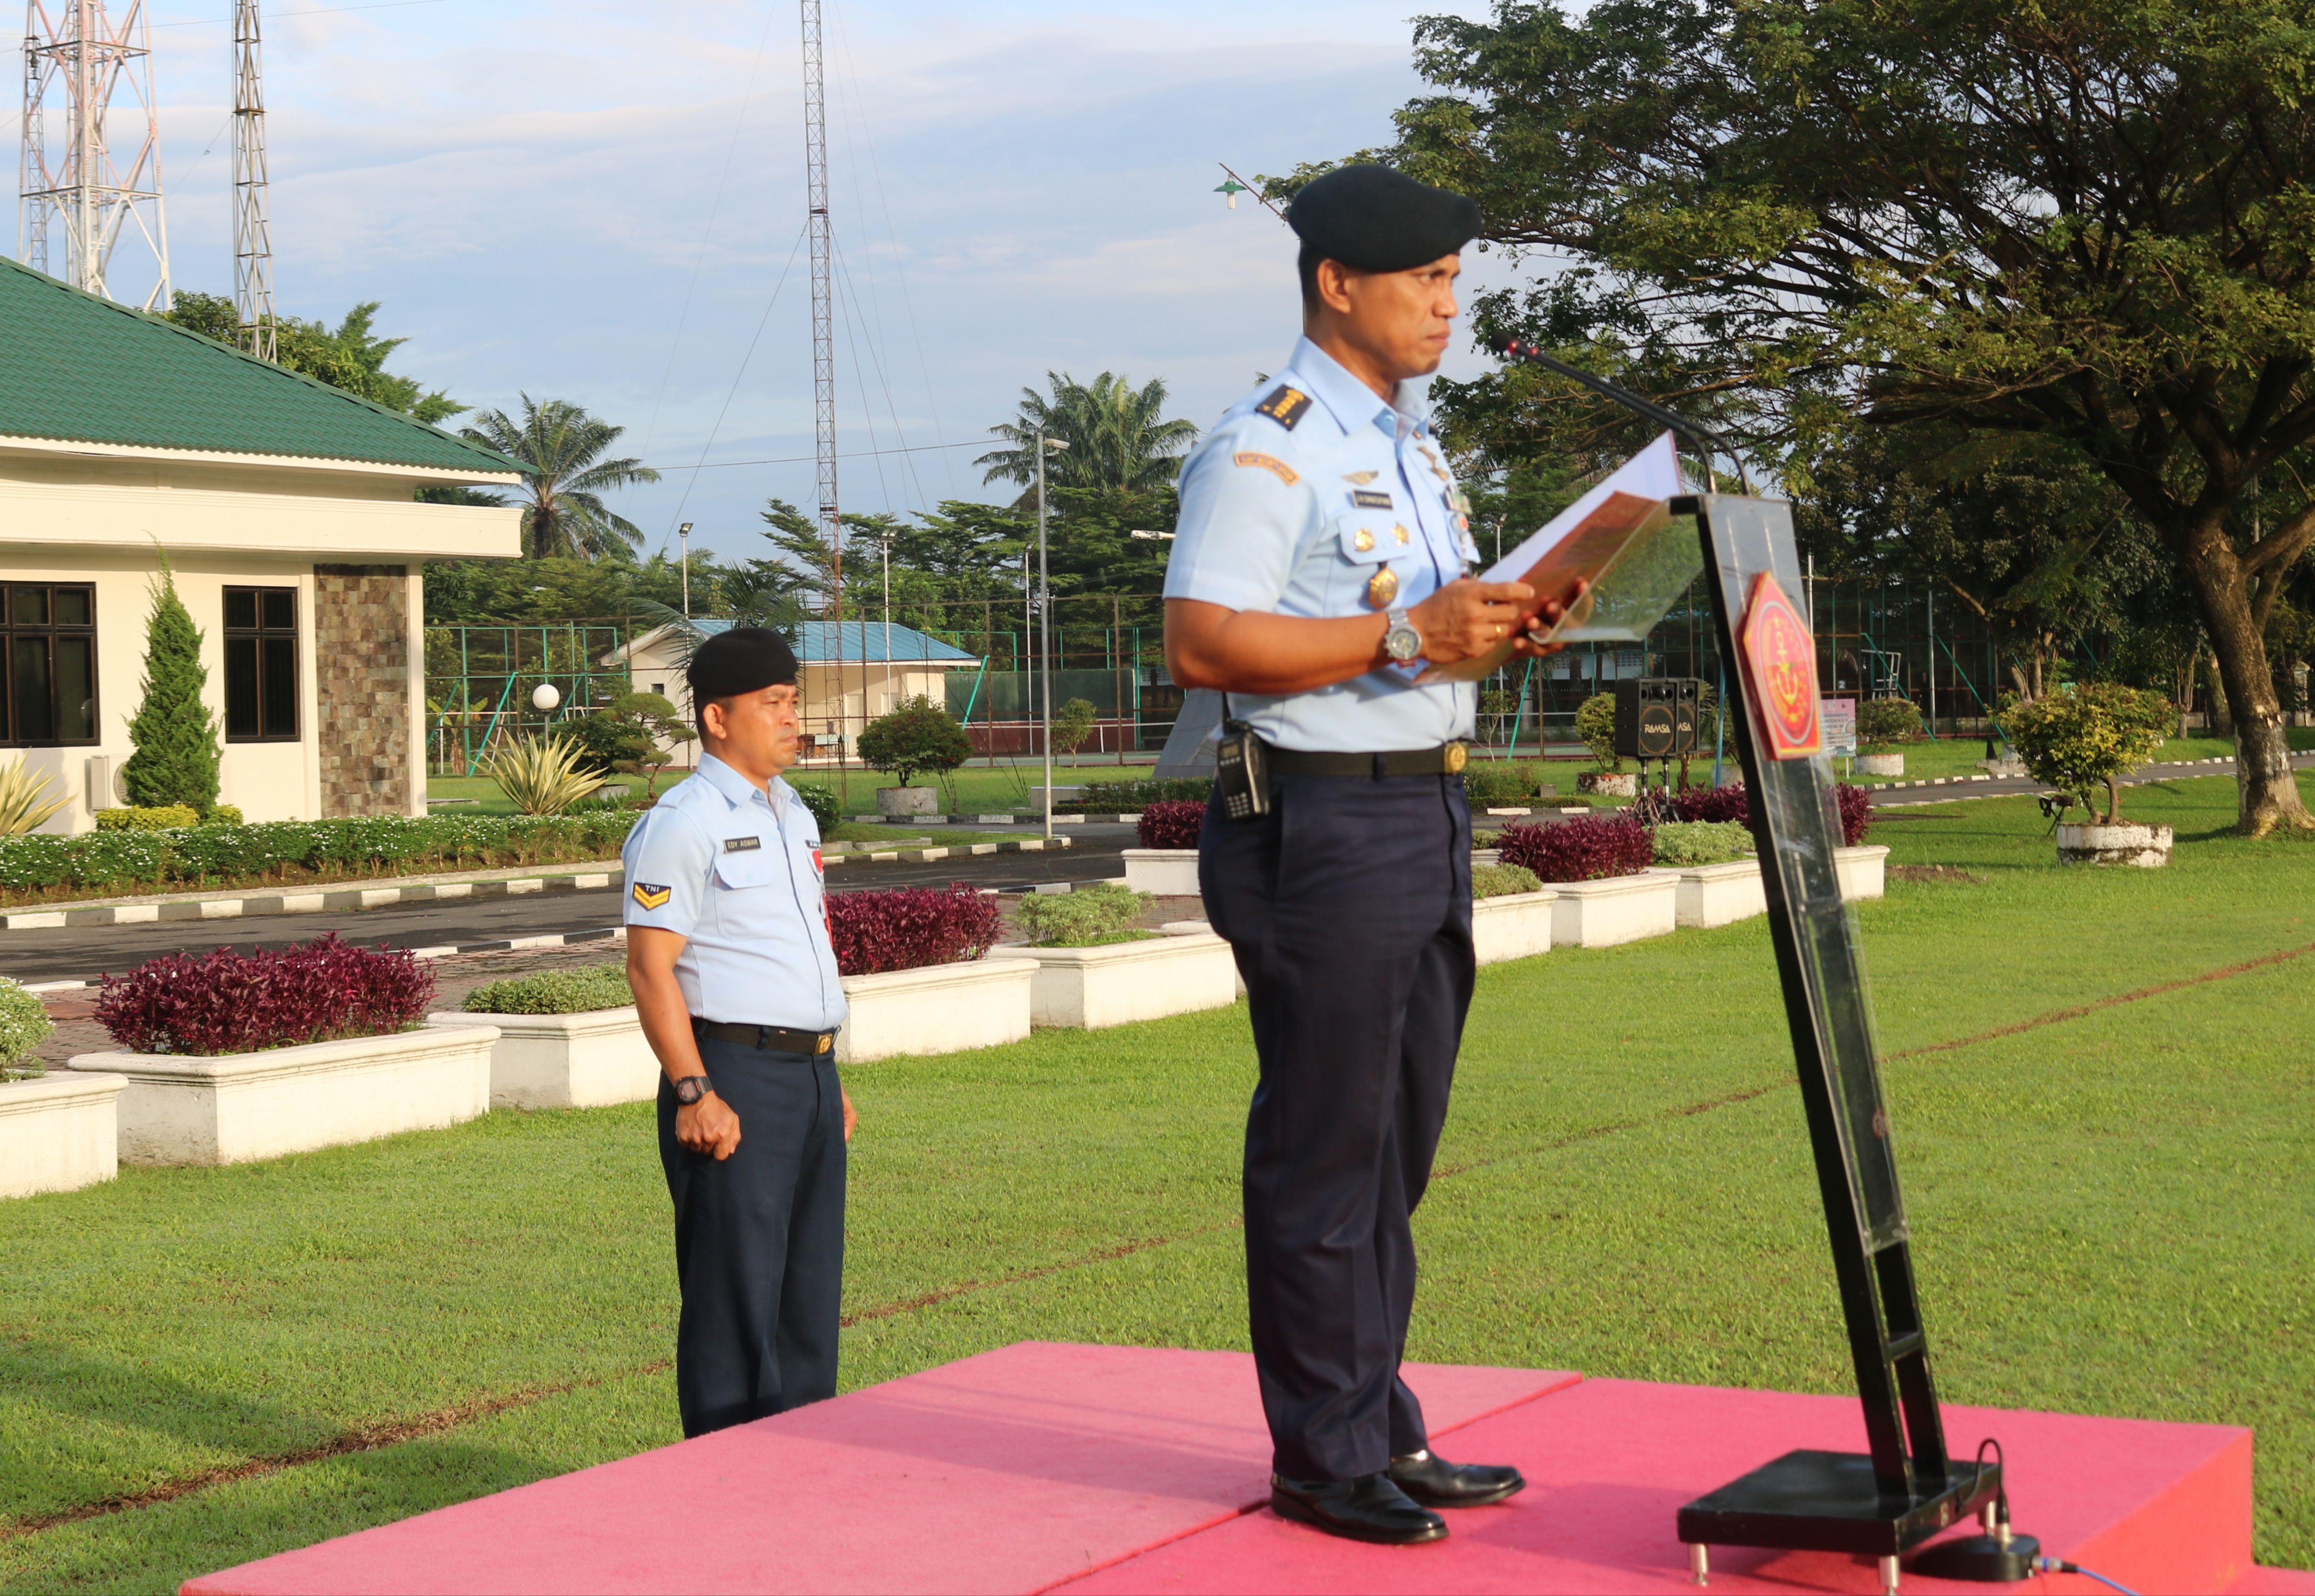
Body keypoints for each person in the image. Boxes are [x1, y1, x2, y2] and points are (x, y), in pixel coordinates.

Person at [1163, 163, 1575, 1546]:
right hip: (1322, 824)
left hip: (1425, 810)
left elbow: (1430, 620)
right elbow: (1205, 642)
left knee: (1394, 1144)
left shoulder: (1408, 443)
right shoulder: (1267, 446)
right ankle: (1321, 1456)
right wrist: (1409, 635)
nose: (1446, 306)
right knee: (1325, 1144)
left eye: (1456, 282)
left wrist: (1503, 622)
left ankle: (1375, 1425)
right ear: (1338, 284)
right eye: (1423, 281)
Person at [623, 626, 856, 1439]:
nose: (794, 717)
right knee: (734, 1303)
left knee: (806, 1299)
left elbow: (795, 955)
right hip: (730, 1077)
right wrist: (694, 1090)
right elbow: (652, 969)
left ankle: (800, 1478)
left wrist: (832, 1081)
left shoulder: (792, 813)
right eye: (774, 704)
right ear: (718, 719)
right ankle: (720, 1492)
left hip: (810, 1081)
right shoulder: (682, 821)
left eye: (794, 701)